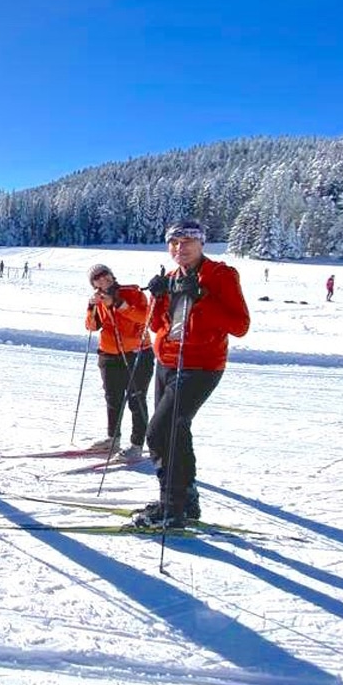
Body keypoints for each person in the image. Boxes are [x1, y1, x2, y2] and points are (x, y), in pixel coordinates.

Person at [137, 219, 250, 528]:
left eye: (187, 241)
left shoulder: (221, 275)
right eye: (174, 242)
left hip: (200, 365)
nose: (180, 247)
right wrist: (158, 296)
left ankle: (170, 508)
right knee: (177, 431)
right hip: (167, 362)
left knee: (159, 432)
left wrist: (203, 297)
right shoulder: (171, 276)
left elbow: (240, 326)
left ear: (202, 243)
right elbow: (158, 326)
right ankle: (185, 500)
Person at [83, 264, 155, 458]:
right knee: (113, 398)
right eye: (96, 278)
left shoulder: (132, 292)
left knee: (136, 399)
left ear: (111, 275)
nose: (102, 279)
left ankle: (136, 445)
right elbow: (91, 326)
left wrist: (117, 304)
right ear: (93, 283)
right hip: (108, 354)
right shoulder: (99, 299)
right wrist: (91, 306)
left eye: (104, 274)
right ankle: (112, 439)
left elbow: (146, 318)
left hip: (137, 353)